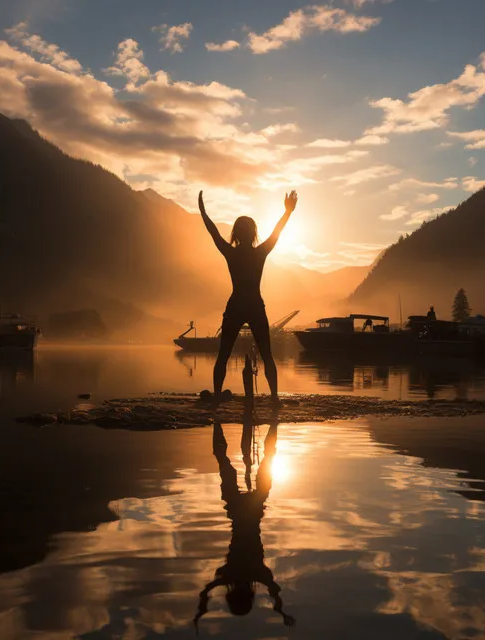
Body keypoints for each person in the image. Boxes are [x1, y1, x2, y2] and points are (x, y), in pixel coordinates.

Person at [193, 415, 294, 632]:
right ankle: (218, 421)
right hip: (239, 512)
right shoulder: (238, 575)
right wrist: (201, 611)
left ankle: (270, 423)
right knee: (224, 459)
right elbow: (205, 593)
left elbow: (274, 591)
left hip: (251, 512)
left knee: (267, 460)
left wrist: (280, 609)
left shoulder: (254, 574)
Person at [199, 190, 298, 403]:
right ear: (253, 233)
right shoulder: (260, 253)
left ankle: (217, 395)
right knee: (267, 355)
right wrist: (288, 212)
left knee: (224, 354)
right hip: (254, 305)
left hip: (236, 306)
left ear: (236, 234)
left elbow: (213, 233)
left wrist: (203, 213)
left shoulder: (231, 253)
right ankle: (273, 398)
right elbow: (276, 233)